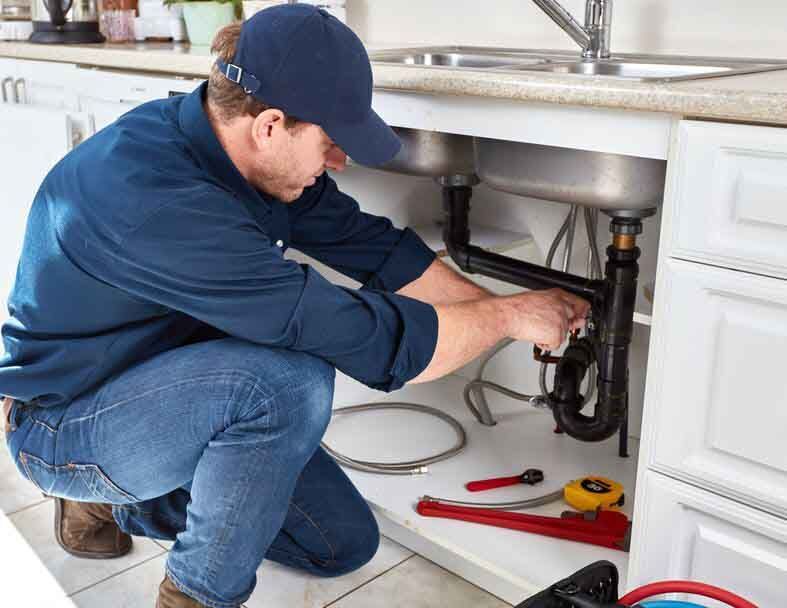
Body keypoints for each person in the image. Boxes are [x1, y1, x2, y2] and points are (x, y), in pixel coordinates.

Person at [0, 5, 589, 608]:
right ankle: (184, 586)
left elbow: (378, 250)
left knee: (340, 545)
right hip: (63, 419)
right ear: (270, 125)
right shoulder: (158, 201)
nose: (339, 162)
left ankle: (124, 499)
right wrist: (509, 318)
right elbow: (373, 343)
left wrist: (506, 305)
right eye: (331, 142)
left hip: (172, 388)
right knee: (286, 384)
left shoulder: (239, 156)